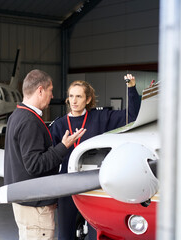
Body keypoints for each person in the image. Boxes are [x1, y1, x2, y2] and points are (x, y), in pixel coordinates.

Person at [50, 74, 141, 240]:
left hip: (94, 185)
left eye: (79, 96)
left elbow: (133, 116)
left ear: (88, 99)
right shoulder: (58, 125)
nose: (74, 100)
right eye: (71, 96)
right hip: (67, 186)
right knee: (65, 235)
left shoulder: (101, 117)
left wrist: (132, 88)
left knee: (96, 234)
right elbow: (52, 160)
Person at [4, 69, 86, 240]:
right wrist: (63, 147)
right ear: (40, 90)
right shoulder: (29, 121)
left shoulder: (17, 115)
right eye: (50, 90)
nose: (52, 95)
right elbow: (34, 165)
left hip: (24, 200)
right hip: (35, 207)